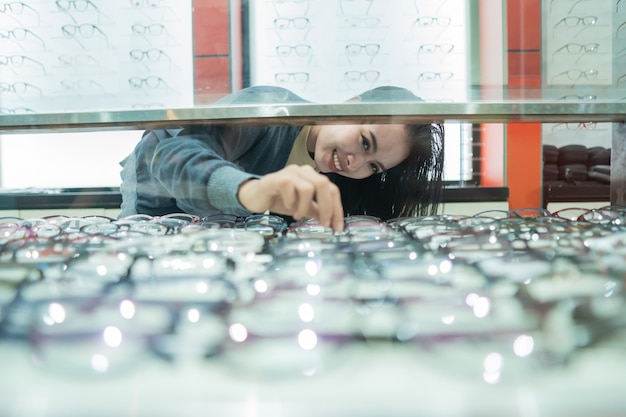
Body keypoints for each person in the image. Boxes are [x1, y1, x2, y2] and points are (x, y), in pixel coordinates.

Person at [119, 85, 445, 232]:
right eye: (363, 141)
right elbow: (174, 158)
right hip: (156, 199)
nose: (355, 163)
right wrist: (253, 191)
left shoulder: (335, 178)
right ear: (351, 103)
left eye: (374, 167)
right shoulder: (269, 109)